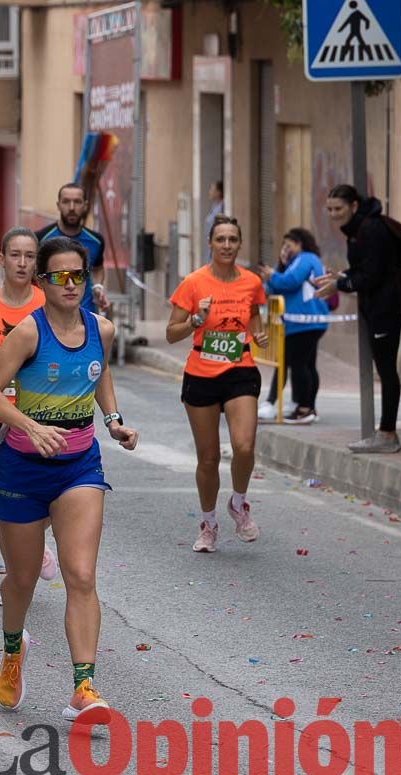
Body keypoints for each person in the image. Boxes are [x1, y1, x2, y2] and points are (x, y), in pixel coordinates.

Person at [0, 236, 137, 720]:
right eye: (59, 276)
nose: (70, 285)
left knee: (82, 574)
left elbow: (100, 373)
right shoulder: (27, 333)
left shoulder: (102, 329)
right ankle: (12, 650)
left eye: (78, 275)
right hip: (22, 468)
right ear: (42, 282)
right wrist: (28, 425)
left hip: (78, 465)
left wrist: (113, 420)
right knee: (22, 581)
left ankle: (84, 687)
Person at [0, 227, 59, 603]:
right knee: (8, 500)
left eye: (30, 256)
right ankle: (15, 574)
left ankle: (34, 546)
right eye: (15, 255)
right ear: (1, 260)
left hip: (44, 414)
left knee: (49, 498)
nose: (22, 263)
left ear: (37, 263)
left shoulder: (47, 304)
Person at [167, 215, 269, 553]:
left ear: (240, 244)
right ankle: (208, 523)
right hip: (200, 374)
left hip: (240, 369)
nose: (226, 245)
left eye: (232, 240)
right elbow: (171, 333)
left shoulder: (252, 282)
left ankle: (238, 503)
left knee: (244, 446)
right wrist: (196, 319)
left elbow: (254, 316)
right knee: (208, 458)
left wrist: (259, 332)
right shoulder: (194, 283)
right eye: (220, 239)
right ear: (210, 243)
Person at [315, 184, 401, 453]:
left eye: (339, 208)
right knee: (384, 369)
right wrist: (343, 276)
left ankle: (388, 433)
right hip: (377, 307)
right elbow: (365, 268)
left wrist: (340, 285)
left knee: (387, 371)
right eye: (330, 209)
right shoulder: (359, 229)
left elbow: (372, 275)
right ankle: (385, 432)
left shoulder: (370, 229)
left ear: (354, 206)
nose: (334, 214)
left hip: (386, 308)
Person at [259, 228, 329, 424]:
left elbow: (291, 281)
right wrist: (278, 268)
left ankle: (305, 408)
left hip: (304, 321)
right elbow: (272, 287)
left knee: (299, 366)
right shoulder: (289, 263)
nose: (285, 249)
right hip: (298, 322)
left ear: (300, 244)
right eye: (283, 246)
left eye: (289, 245)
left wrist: (273, 274)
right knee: (305, 365)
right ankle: (306, 407)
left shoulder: (306, 258)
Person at [36, 183, 111, 314]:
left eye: (77, 202)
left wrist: (97, 287)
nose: (71, 208)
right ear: (58, 205)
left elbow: (97, 268)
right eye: (66, 202)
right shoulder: (40, 238)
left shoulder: (96, 241)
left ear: (85, 206)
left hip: (86, 315)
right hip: (50, 317)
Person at [203, 180, 224, 263]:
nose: (210, 192)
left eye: (212, 189)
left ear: (218, 192)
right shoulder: (214, 206)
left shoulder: (222, 207)